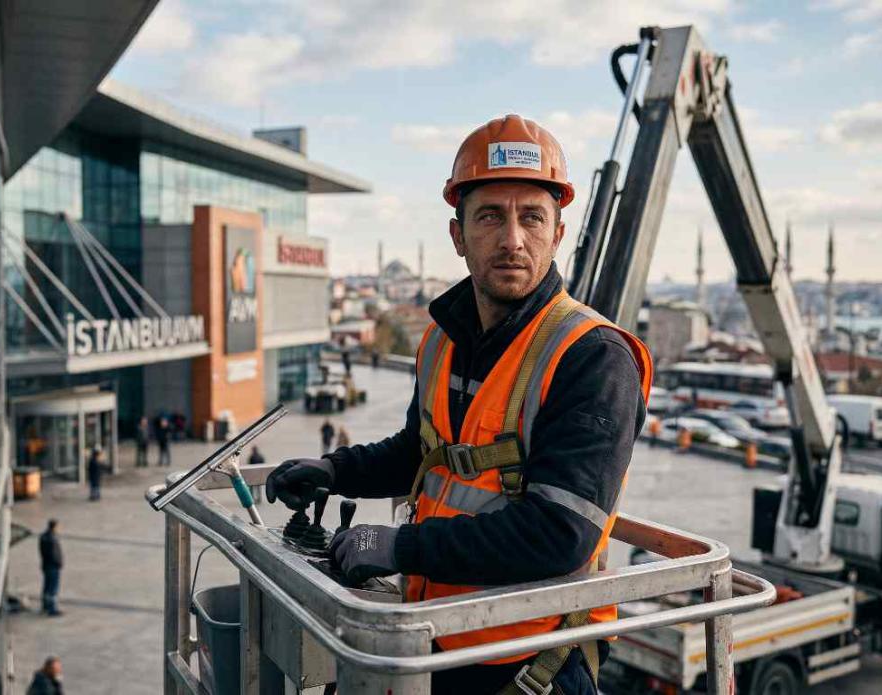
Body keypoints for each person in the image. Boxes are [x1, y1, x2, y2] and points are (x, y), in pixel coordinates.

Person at [266, 116, 651, 695]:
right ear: (458, 235)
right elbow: (423, 452)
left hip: (528, 661)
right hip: (440, 635)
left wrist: (401, 547)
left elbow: (559, 533)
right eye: (490, 216)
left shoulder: (592, 356)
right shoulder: (444, 340)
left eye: (531, 217)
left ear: (557, 234)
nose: (512, 239)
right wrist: (335, 470)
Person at [39, 519, 64, 616]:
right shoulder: (52, 538)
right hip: (53, 566)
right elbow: (54, 553)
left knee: (46, 586)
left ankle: (45, 605)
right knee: (53, 588)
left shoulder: (43, 537)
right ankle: (52, 609)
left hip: (46, 565)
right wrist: (59, 563)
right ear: (54, 527)